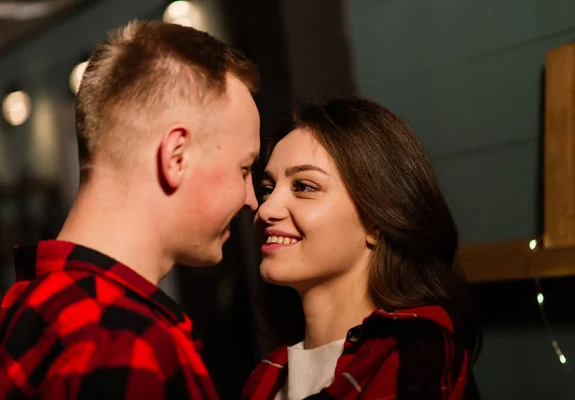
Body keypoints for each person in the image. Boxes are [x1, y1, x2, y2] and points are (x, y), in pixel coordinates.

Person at [0, 20, 260, 399]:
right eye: (244, 168)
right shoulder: (125, 341)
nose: (251, 199)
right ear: (177, 156)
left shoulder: (23, 308)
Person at [242, 97, 482, 399]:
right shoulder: (266, 378)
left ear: (376, 221)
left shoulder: (421, 353)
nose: (265, 210)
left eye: (304, 186)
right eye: (267, 189)